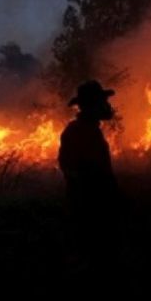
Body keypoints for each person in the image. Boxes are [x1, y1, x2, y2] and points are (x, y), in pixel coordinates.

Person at [58, 80, 121, 259]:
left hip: (94, 207)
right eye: (102, 102)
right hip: (90, 210)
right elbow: (72, 169)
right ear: (92, 105)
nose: (107, 106)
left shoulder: (89, 130)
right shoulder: (78, 132)